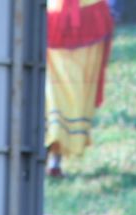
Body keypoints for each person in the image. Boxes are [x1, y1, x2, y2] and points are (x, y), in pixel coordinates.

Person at [45, 0, 116, 177]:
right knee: (63, 91)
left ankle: (52, 155)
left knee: (59, 92)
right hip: (72, 16)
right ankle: (53, 156)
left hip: (81, 16)